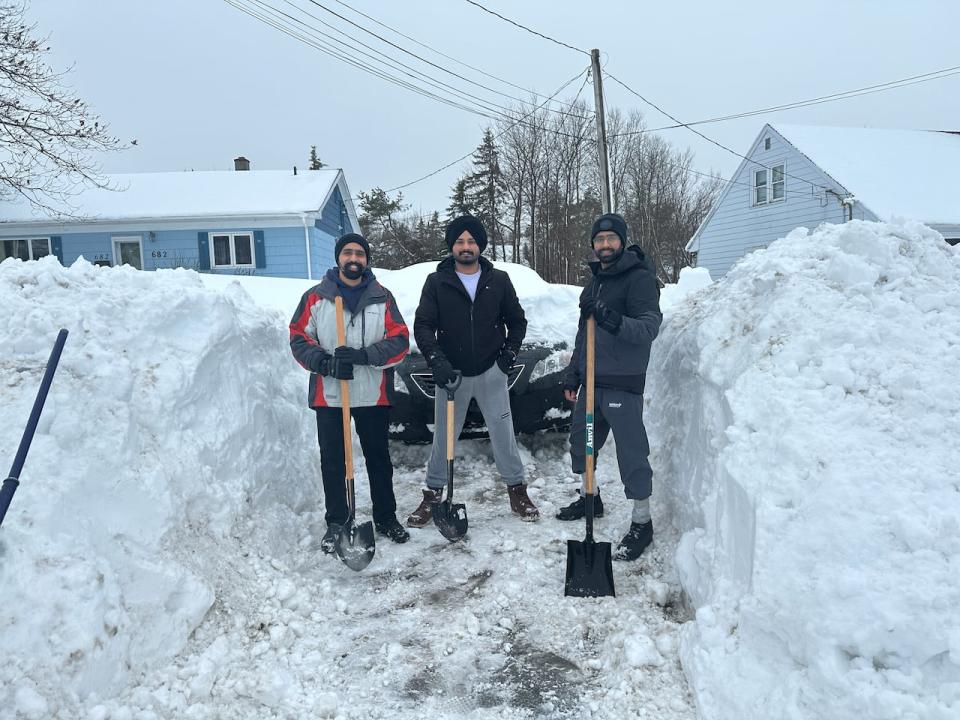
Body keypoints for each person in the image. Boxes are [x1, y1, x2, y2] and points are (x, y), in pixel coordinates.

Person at [406, 214, 539, 527]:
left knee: (503, 433)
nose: (465, 247)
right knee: (444, 437)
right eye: (459, 241)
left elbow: (517, 321)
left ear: (480, 245)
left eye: (471, 241)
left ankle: (517, 490)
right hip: (452, 376)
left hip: (491, 371)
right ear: (452, 246)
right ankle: (432, 495)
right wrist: (436, 360)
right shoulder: (437, 282)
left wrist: (507, 357)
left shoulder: (499, 280)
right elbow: (424, 325)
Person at [290, 232, 411, 553]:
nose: (354, 258)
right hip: (330, 396)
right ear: (338, 258)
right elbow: (299, 339)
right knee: (334, 461)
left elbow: (399, 340)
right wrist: (326, 363)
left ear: (367, 260)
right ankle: (337, 521)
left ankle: (386, 517)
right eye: (348, 253)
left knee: (379, 459)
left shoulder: (382, 297)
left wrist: (364, 356)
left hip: (373, 394)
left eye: (359, 253)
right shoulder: (316, 298)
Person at [557, 213, 663, 561]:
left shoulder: (640, 280)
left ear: (621, 241)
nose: (604, 245)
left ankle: (642, 521)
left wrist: (608, 316)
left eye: (610, 239)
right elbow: (582, 335)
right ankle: (592, 497)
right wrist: (574, 373)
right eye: (599, 239)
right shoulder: (594, 282)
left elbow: (647, 328)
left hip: (623, 385)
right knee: (581, 446)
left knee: (631, 455)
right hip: (592, 383)